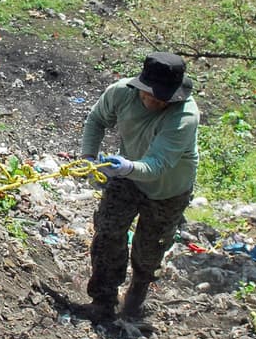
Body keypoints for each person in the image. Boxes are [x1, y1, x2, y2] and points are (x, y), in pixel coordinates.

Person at [77, 52, 199, 322]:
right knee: (108, 232)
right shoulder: (121, 93)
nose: (156, 102)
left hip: (168, 189)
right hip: (128, 175)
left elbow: (157, 165)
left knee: (149, 250)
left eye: (164, 98)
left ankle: (135, 297)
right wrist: (89, 159)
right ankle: (103, 301)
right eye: (151, 95)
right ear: (141, 86)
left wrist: (126, 167)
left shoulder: (185, 116)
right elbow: (96, 120)